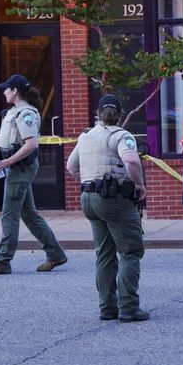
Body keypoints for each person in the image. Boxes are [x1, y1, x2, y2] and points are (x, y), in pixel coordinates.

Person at [0, 73, 67, 275]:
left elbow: (31, 145)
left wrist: (7, 162)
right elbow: (3, 139)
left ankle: (3, 261)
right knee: (29, 214)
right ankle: (55, 254)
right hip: (15, 167)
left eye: (7, 89)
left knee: (9, 215)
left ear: (15, 91)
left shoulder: (26, 114)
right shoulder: (14, 112)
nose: (4, 92)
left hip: (20, 168)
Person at [66, 94, 149, 322]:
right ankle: (129, 307)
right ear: (120, 115)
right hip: (115, 200)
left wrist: (89, 181)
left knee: (104, 254)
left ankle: (107, 308)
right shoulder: (121, 135)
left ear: (97, 114)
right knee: (130, 252)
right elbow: (131, 161)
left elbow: (71, 167)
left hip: (89, 199)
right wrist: (140, 185)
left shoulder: (85, 136)